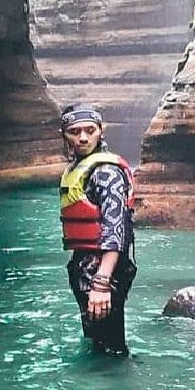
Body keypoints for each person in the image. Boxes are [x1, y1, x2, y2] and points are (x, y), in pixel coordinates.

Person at [58, 103, 137, 357]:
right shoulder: (80, 169)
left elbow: (116, 228)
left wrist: (102, 283)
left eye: (89, 130)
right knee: (98, 344)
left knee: (111, 350)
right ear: (64, 135)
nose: (82, 137)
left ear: (101, 132)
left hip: (104, 271)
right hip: (88, 267)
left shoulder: (106, 172)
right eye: (74, 131)